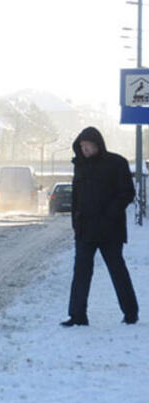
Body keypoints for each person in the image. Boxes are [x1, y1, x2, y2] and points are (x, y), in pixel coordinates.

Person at [61, 126, 139, 327]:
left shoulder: (116, 163)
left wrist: (110, 213)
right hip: (85, 230)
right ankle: (77, 315)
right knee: (81, 273)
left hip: (110, 230)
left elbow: (127, 193)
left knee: (117, 270)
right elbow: (76, 198)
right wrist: (75, 224)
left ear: (98, 144)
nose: (85, 150)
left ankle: (130, 313)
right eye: (82, 146)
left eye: (88, 146)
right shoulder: (80, 166)